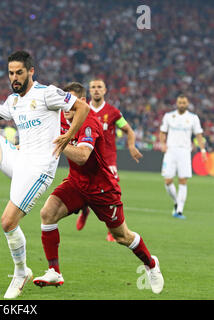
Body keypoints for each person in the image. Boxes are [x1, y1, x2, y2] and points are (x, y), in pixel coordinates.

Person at [0, 50, 90, 299]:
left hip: (39, 169)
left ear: (30, 72)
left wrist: (70, 134)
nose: (14, 77)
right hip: (20, 159)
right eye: (11, 73)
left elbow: (81, 107)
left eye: (19, 72)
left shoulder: (47, 93)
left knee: (7, 222)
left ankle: (21, 272)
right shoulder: (13, 100)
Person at [32, 82, 164, 294]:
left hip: (102, 189)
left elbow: (83, 156)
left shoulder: (89, 123)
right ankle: (54, 271)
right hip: (76, 183)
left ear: (82, 103)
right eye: (65, 104)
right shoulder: (61, 119)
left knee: (122, 236)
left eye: (72, 105)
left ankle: (151, 264)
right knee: (47, 214)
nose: (67, 110)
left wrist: (59, 143)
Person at [76, 79, 143, 242]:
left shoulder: (113, 112)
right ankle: (85, 210)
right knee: (84, 189)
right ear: (89, 91)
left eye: (99, 87)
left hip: (108, 160)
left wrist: (132, 146)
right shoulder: (82, 109)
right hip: (88, 159)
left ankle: (112, 229)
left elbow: (128, 130)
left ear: (105, 90)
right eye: (93, 87)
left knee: (111, 194)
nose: (96, 90)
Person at [159, 94, 207, 219]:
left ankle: (179, 210)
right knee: (168, 180)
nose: (182, 104)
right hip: (170, 151)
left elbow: (199, 135)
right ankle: (176, 201)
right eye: (180, 102)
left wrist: (202, 150)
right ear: (176, 103)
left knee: (183, 180)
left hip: (185, 152)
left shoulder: (193, 118)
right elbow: (163, 132)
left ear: (187, 104)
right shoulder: (169, 116)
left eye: (184, 102)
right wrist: (162, 144)